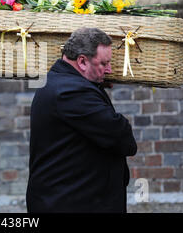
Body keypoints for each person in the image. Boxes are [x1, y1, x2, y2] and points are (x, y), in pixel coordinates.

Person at [26, 27, 137, 213]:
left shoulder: (60, 82)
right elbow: (123, 138)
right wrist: (96, 89)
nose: (109, 70)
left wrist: (98, 86)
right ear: (82, 61)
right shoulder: (72, 92)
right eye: (104, 63)